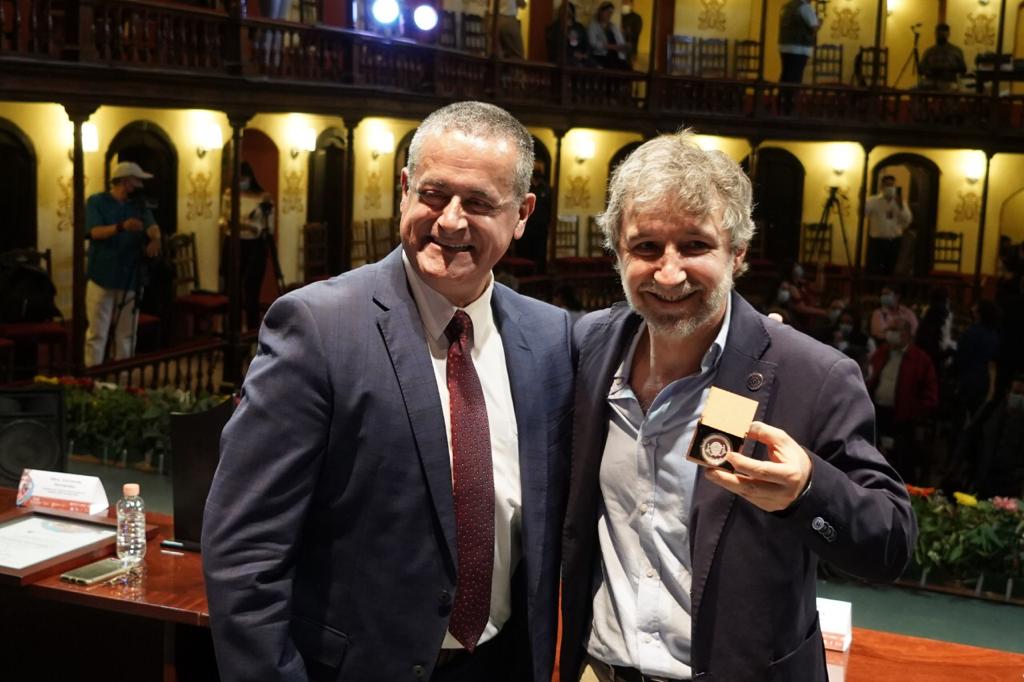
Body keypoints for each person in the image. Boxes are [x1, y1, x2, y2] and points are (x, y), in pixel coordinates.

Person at [202, 102, 574, 682]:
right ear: (404, 189)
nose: (450, 221)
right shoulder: (318, 328)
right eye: (433, 194)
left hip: (504, 663)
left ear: (522, 213)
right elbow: (246, 554)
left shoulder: (549, 337)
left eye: (477, 203)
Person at [560, 130, 916, 682]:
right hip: (600, 670)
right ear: (618, 252)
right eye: (646, 247)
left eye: (696, 246)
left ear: (738, 253)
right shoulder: (588, 348)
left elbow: (889, 545)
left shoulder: (812, 376)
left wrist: (805, 492)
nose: (669, 272)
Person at [84, 161, 161, 367]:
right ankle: (92, 379)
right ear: (125, 181)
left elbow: (152, 227)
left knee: (127, 334)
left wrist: (155, 238)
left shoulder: (138, 205)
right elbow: (94, 232)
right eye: (137, 181)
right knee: (97, 333)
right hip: (102, 275)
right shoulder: (97, 201)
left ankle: (122, 378)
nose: (140, 186)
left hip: (131, 277)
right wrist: (121, 227)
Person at [867, 318, 939, 482]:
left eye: (895, 330)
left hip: (903, 421)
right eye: (889, 330)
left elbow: (931, 397)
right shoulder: (881, 352)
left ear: (906, 333)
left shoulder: (920, 360)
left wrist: (913, 412)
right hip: (877, 414)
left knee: (900, 464)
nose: (890, 334)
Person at [219, 161, 275, 331]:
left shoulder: (263, 197)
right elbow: (222, 217)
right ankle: (231, 331)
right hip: (233, 242)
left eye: (243, 178)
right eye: (237, 179)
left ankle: (251, 332)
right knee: (231, 288)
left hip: (254, 246)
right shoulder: (229, 194)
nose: (240, 183)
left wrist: (252, 227)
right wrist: (224, 223)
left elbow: (269, 227)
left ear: (250, 177)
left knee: (251, 290)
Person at [865, 175, 912, 275]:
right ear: (881, 186)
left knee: (892, 268)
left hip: (894, 241)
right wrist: (861, 199)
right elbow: (863, 214)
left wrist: (901, 207)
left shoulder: (901, 203)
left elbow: (907, 220)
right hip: (877, 241)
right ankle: (875, 289)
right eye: (887, 185)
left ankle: (888, 289)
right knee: (875, 268)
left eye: (892, 185)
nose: (890, 187)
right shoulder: (872, 201)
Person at [516, 159, 552, 272]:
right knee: (523, 254)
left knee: (540, 254)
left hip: (541, 229)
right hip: (525, 227)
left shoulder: (547, 189)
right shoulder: (525, 188)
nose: (538, 171)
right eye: (536, 169)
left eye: (540, 169)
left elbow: (550, 209)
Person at [778, 0, 819, 84]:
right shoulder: (805, 7)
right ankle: (790, 97)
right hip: (799, 47)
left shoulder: (786, 7)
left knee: (786, 76)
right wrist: (820, 23)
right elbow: (814, 27)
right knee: (795, 78)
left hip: (784, 46)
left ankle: (783, 96)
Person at [919, 23, 967, 91]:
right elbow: (921, 69)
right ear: (935, 34)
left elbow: (963, 69)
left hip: (949, 81)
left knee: (952, 88)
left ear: (948, 34)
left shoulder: (956, 51)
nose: (941, 34)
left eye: (943, 32)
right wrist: (929, 70)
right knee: (915, 90)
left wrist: (949, 68)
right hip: (930, 81)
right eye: (939, 32)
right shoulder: (929, 52)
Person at [587, 2, 629, 70]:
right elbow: (593, 43)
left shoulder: (613, 27)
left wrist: (625, 46)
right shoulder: (593, 26)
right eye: (607, 12)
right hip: (602, 56)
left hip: (617, 56)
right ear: (601, 12)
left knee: (627, 69)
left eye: (611, 13)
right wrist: (611, 47)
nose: (609, 15)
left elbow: (620, 41)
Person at [619, 0, 642, 68]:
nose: (624, 4)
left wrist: (626, 31)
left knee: (629, 69)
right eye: (623, 2)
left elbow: (637, 33)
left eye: (627, 2)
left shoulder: (636, 17)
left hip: (631, 50)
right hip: (618, 48)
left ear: (632, 4)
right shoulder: (618, 16)